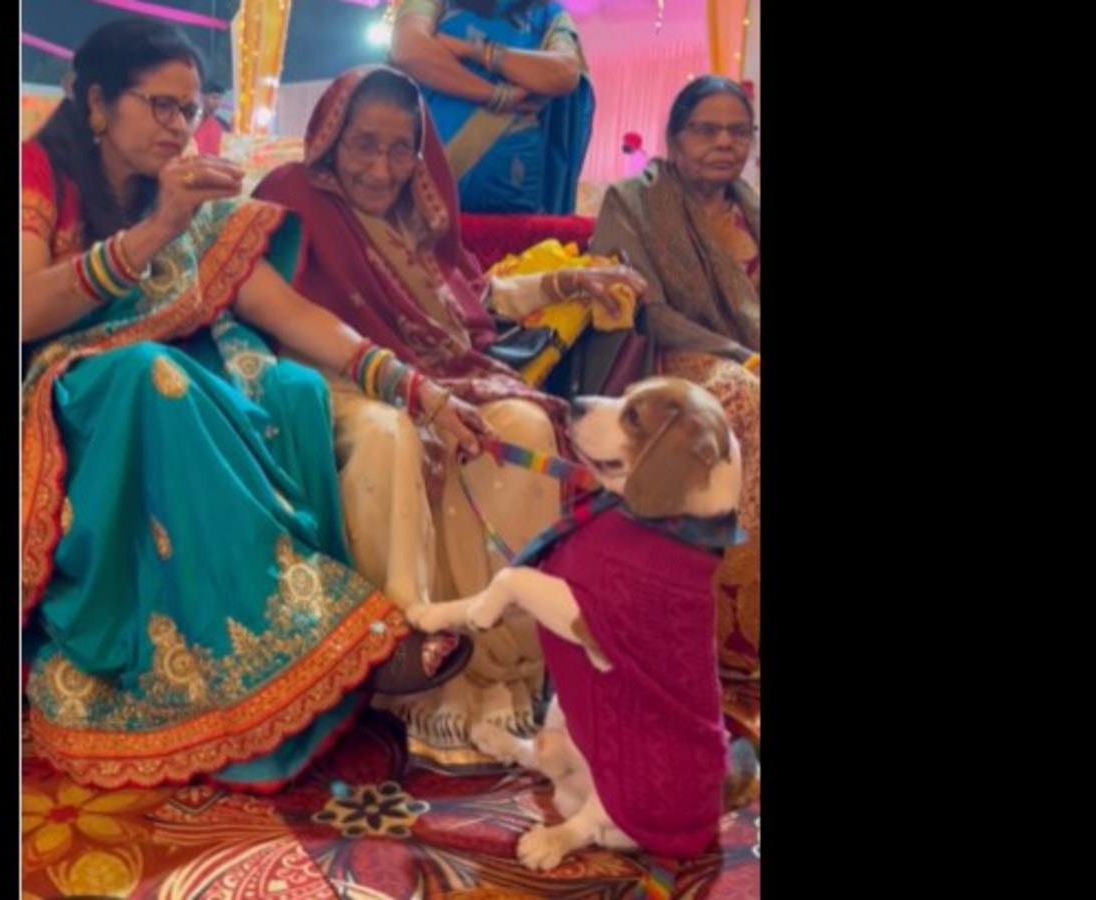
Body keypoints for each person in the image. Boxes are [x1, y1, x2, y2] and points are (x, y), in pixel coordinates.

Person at [21, 20, 487, 791]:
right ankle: (271, 638)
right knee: (152, 376)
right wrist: (151, 232)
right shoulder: (40, 172)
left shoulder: (188, 193)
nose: (179, 127)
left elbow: (288, 313)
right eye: (161, 106)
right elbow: (23, 310)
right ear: (97, 102)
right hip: (63, 385)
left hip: (159, 366)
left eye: (189, 110)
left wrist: (417, 389)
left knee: (293, 387)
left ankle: (309, 667)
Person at [254, 65, 644, 768]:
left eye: (399, 148)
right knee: (390, 435)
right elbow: (269, 312)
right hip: (327, 383)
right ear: (331, 138)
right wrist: (411, 392)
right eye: (363, 145)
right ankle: (411, 670)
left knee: (517, 428)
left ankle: (496, 665)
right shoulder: (288, 200)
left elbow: (469, 294)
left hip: (436, 374)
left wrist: (568, 279)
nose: (381, 167)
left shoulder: (418, 212)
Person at [580, 74, 761, 751]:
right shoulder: (634, 202)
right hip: (664, 362)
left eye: (736, 131)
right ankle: (715, 627)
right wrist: (737, 356)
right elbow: (645, 308)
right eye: (705, 130)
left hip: (740, 360)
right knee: (742, 397)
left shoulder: (750, 209)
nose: (722, 144)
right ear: (675, 138)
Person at [389, 0, 593, 214]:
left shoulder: (548, 13)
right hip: (423, 199)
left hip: (511, 203)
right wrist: (496, 95)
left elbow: (564, 73)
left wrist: (474, 50)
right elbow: (409, 50)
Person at [193, 79, 228, 155]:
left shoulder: (221, 124)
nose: (217, 102)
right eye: (214, 98)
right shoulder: (190, 119)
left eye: (219, 98)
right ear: (202, 97)